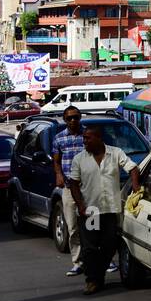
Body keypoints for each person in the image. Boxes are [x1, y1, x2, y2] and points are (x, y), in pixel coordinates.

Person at [66, 124, 140, 295]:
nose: (84, 141)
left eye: (87, 138)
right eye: (83, 138)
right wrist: (81, 205)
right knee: (90, 247)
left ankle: (98, 276)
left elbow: (133, 168)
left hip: (110, 210)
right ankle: (92, 280)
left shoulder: (115, 153)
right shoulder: (80, 159)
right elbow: (74, 184)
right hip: (91, 210)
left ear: (99, 138)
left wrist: (135, 187)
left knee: (109, 245)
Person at [52, 106, 87, 277]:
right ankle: (78, 262)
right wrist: (58, 175)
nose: (73, 121)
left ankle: (99, 259)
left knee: (92, 226)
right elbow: (57, 161)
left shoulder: (87, 136)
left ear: (80, 118)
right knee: (72, 227)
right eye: (69, 118)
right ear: (65, 120)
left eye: (76, 117)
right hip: (68, 189)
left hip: (88, 188)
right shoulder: (59, 139)